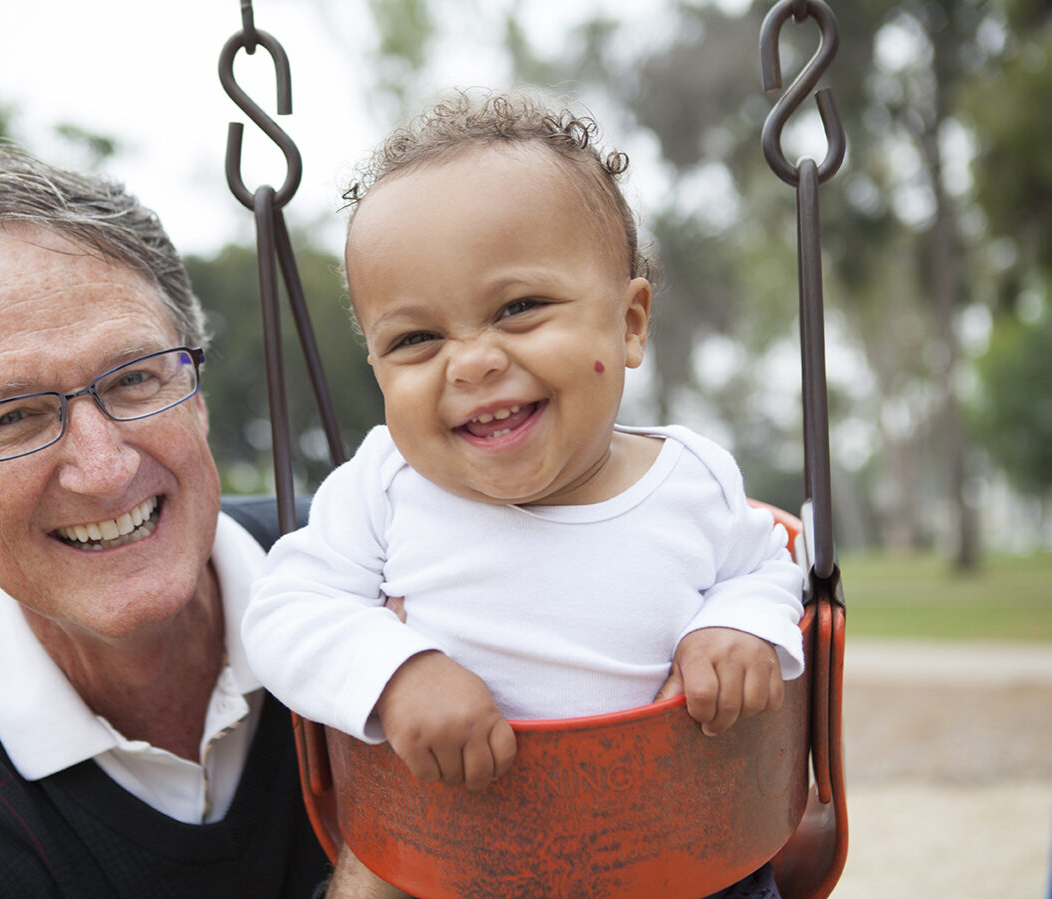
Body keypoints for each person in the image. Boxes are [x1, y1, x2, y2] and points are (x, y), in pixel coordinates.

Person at [242, 91, 806, 898]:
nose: (470, 362)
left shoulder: (690, 479)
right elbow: (286, 610)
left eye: (519, 308)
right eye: (415, 338)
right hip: (446, 855)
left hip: (675, 856)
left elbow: (767, 570)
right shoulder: (384, 484)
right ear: (374, 364)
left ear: (630, 323)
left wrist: (733, 624)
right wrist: (397, 672)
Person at [0, 142, 381, 897]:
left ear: (196, 390)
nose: (104, 468)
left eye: (135, 378)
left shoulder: (387, 572)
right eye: (14, 416)